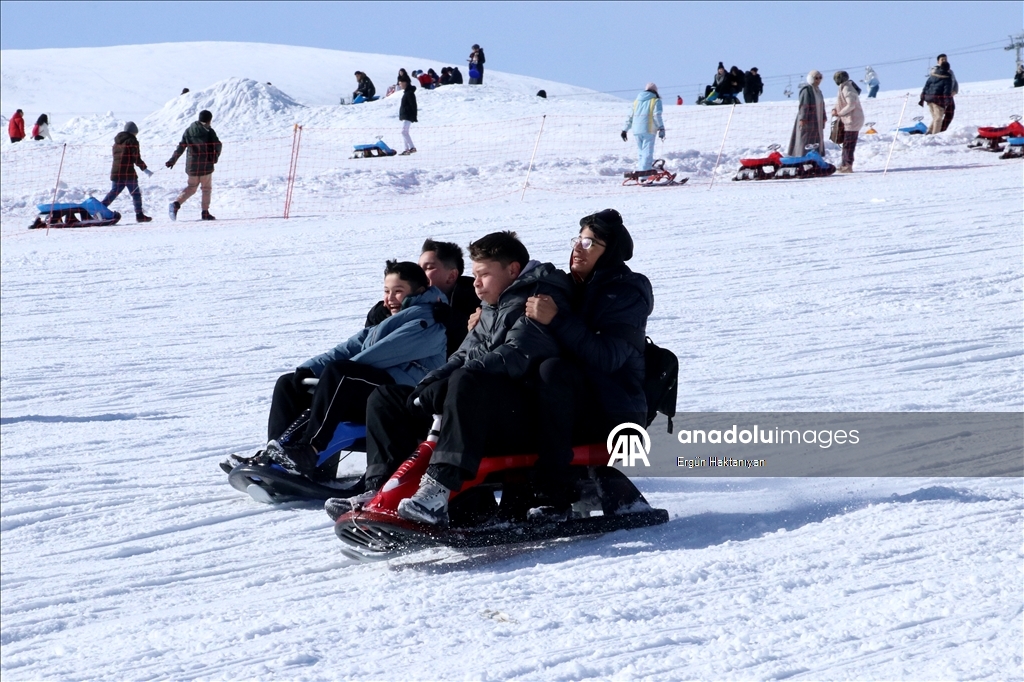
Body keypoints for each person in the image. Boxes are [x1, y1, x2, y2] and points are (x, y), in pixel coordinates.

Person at [340, 231, 571, 525]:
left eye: (484, 274)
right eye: (474, 274)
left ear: (512, 270)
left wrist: (450, 383)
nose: (475, 283)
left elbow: (515, 356)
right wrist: (427, 384)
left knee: (465, 381)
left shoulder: (539, 299)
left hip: (521, 413)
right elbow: (461, 355)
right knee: (387, 397)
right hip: (475, 404)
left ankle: (439, 489)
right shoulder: (492, 305)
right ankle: (381, 489)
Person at [263, 261, 448, 479]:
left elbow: (382, 353)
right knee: (289, 383)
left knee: (341, 374)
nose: (390, 298)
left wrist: (336, 372)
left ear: (418, 291)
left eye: (398, 292)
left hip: (402, 397)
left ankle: (309, 450)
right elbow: (348, 347)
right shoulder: (389, 318)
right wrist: (310, 369)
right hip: (371, 387)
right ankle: (275, 455)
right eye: (387, 291)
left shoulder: (428, 318)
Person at [523, 209, 652, 519]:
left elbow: (606, 357)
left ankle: (556, 497)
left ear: (611, 252)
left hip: (615, 405)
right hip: (580, 399)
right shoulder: (569, 285)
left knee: (553, 371)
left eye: (590, 243)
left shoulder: (627, 291)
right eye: (578, 240)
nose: (578, 249)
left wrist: (556, 319)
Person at [365, 240, 481, 357]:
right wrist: (378, 317)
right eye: (419, 267)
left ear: (451, 276)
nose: (420, 273)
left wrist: (456, 324)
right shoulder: (409, 300)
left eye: (429, 268)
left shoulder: (475, 300)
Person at [166, 109, 222, 221]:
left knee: (191, 188)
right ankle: (205, 212)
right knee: (206, 189)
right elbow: (218, 145)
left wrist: (173, 160)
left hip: (192, 166)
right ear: (209, 120)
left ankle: (176, 204)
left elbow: (181, 147)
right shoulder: (209, 132)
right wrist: (215, 158)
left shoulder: (189, 130)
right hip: (206, 166)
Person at [101, 122, 153, 223]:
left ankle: (100, 209)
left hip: (116, 171)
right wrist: (145, 169)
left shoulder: (116, 142)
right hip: (128, 172)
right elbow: (136, 157)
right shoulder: (132, 141)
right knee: (136, 193)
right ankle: (139, 215)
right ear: (133, 132)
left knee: (113, 192)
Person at [621, 83, 665, 172]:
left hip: (636, 130)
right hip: (649, 129)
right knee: (647, 153)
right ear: (655, 91)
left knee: (641, 153)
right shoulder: (656, 101)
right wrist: (661, 128)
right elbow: (656, 115)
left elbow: (630, 117)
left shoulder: (636, 101)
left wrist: (624, 130)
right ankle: (645, 176)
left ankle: (641, 172)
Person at [831, 71, 864, 173]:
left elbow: (851, 105)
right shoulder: (843, 87)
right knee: (846, 143)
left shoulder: (847, 88)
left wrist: (840, 113)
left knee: (849, 144)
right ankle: (844, 164)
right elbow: (840, 102)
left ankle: (847, 165)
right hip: (848, 119)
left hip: (853, 119)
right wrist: (835, 109)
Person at [787, 70, 826, 157]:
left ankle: (815, 157)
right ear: (811, 79)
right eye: (816, 78)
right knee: (805, 138)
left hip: (817, 120)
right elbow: (804, 105)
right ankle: (802, 156)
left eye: (820, 78)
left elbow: (822, 105)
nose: (818, 80)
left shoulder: (818, 91)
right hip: (808, 119)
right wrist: (803, 118)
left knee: (816, 138)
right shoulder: (807, 90)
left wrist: (823, 117)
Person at [920, 62, 953, 135]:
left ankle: (929, 131)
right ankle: (935, 135)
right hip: (938, 100)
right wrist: (947, 100)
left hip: (929, 99)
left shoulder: (932, 75)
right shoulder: (947, 78)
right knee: (938, 119)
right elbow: (946, 91)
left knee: (935, 117)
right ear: (948, 69)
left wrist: (922, 97)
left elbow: (926, 86)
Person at [931, 54, 958, 132]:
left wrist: (955, 91)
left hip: (949, 95)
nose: (944, 61)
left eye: (945, 59)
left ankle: (942, 130)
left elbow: (955, 82)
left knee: (950, 113)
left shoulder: (950, 71)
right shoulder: (935, 70)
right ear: (938, 61)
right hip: (939, 96)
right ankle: (934, 131)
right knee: (938, 116)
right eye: (942, 59)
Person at [397, 76, 418, 156]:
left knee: (403, 132)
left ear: (405, 82)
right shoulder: (407, 92)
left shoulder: (409, 93)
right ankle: (406, 149)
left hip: (408, 115)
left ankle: (412, 147)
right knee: (405, 132)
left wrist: (413, 116)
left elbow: (413, 105)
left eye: (400, 83)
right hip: (406, 115)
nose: (400, 85)